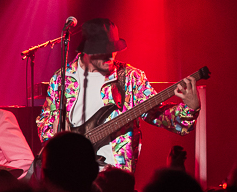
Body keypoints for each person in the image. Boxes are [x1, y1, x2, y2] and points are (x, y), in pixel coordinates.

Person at [36, 18, 201, 172]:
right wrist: (55, 132)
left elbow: (158, 114)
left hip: (115, 176)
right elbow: (45, 121)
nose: (110, 55)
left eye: (113, 49)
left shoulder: (130, 78)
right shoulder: (62, 78)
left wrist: (190, 109)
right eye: (102, 51)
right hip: (71, 170)